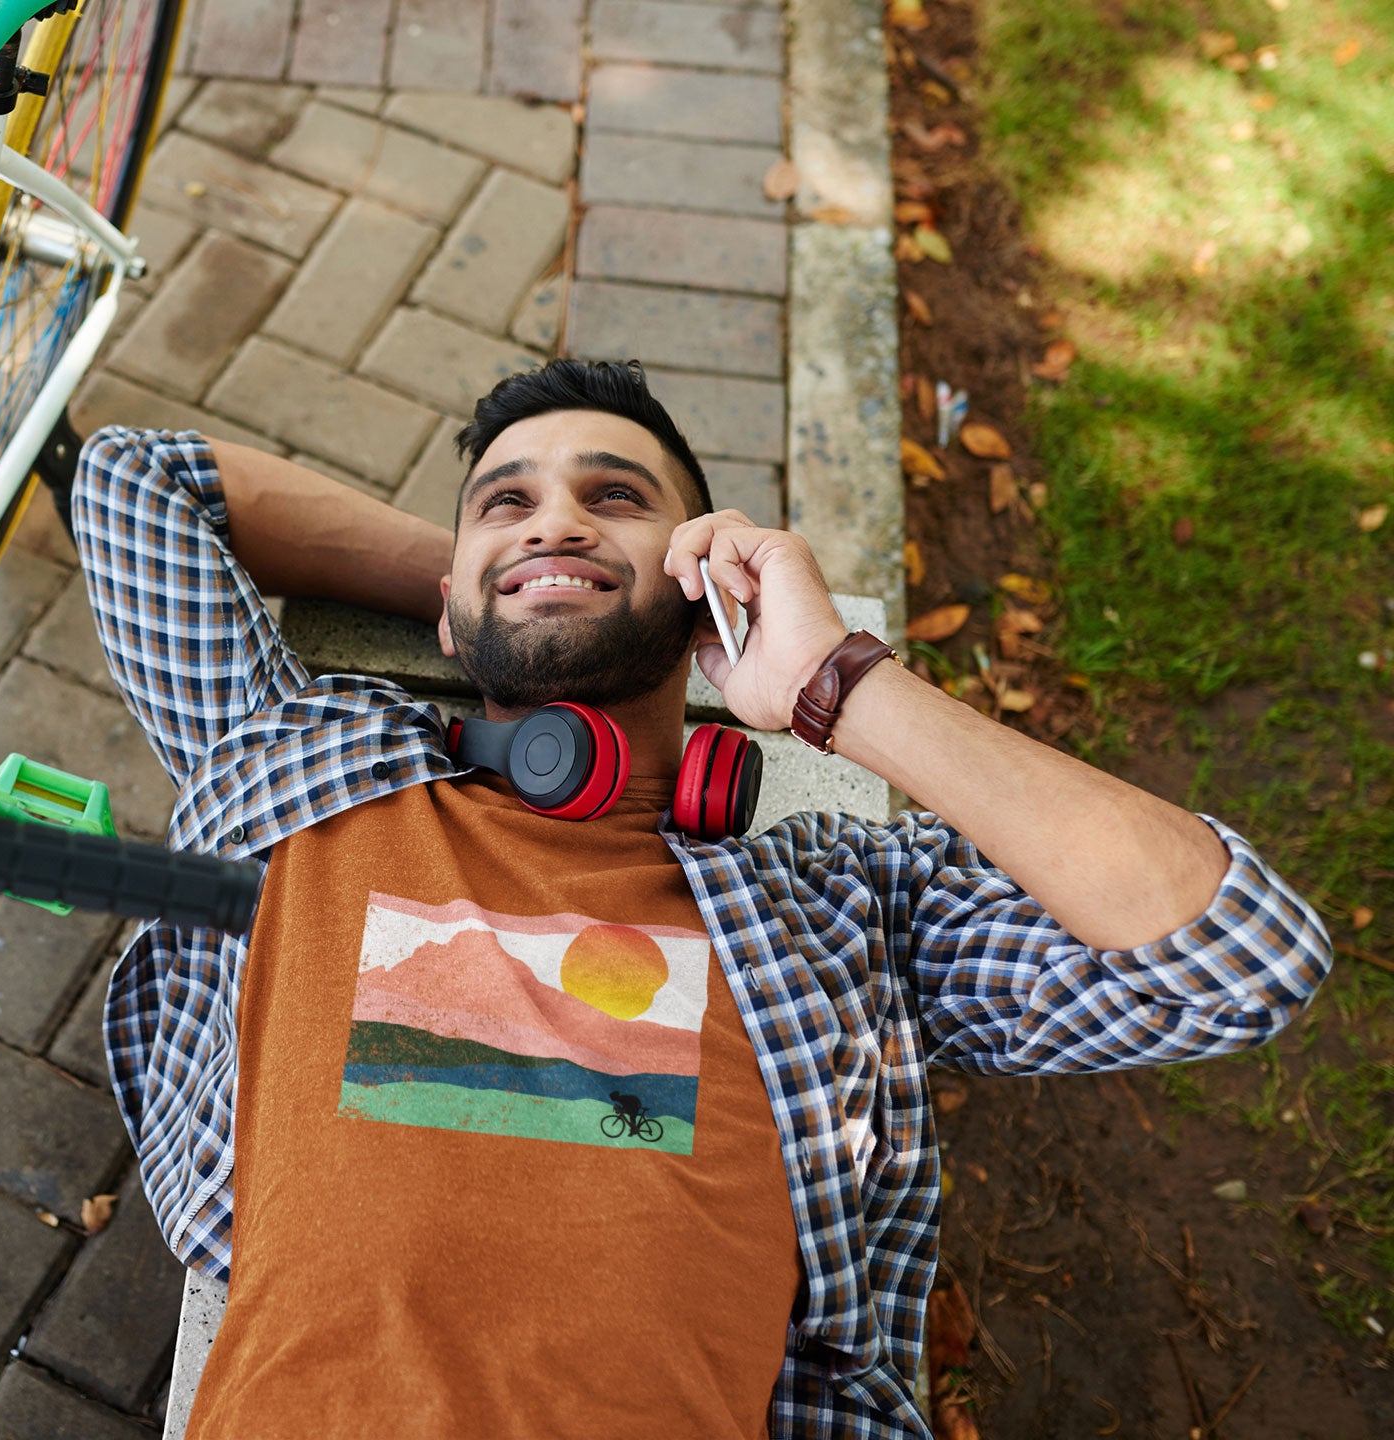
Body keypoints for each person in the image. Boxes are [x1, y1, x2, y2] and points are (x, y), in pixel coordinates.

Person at [71, 359, 1331, 1438]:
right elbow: (135, 483)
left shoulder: (842, 905)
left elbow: (1235, 954)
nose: (553, 519)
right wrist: (491, 581)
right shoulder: (307, 766)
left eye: (614, 500)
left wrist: (841, 686)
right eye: (505, 504)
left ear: (699, 580)